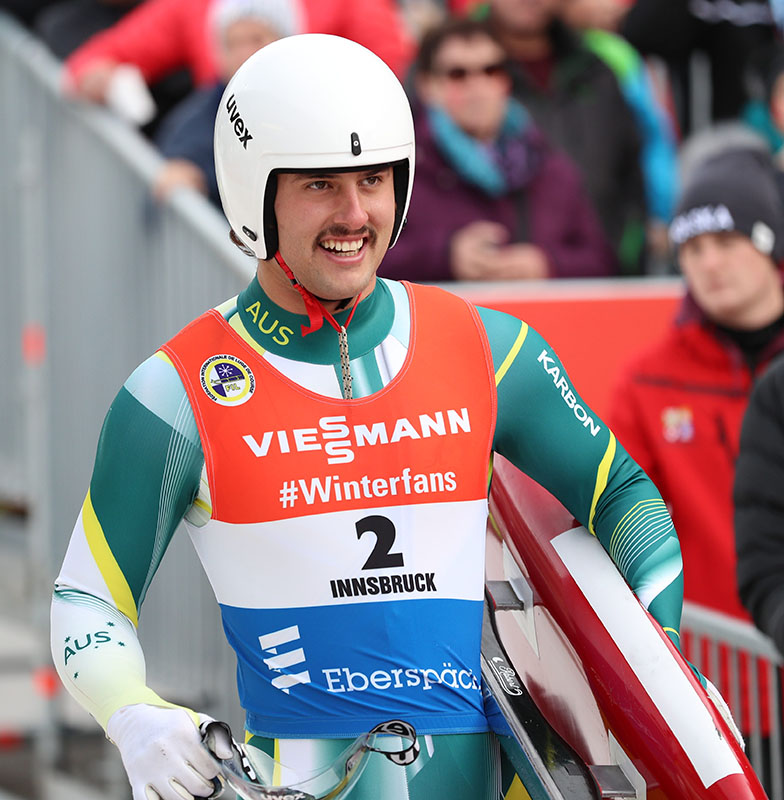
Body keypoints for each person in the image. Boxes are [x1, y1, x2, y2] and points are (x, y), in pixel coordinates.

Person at [51, 33, 708, 800]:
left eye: (374, 179)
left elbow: (624, 496)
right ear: (253, 196)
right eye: (320, 185)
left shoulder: (487, 348)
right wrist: (132, 713)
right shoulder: (176, 393)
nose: (356, 214)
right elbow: (86, 598)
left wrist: (655, 669)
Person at [608, 146, 784, 743]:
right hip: (722, 688)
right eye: (692, 248)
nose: (709, 264)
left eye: (726, 242)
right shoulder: (648, 381)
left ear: (769, 242)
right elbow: (616, 517)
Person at [379, 17, 614, 282]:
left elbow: (601, 259)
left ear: (506, 81)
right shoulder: (399, 172)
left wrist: (547, 264)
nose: (477, 86)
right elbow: (366, 260)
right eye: (458, 74)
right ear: (427, 86)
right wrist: (444, 257)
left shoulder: (550, 166)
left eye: (491, 70)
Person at [475, 0, 648, 274]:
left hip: (601, 282)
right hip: (485, 288)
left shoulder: (598, 69)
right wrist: (448, 253)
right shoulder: (453, 66)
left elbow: (634, 173)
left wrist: (628, 255)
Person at [62, 0, 413, 114]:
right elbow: (97, 57)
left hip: (324, 155)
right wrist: (98, 75)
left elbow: (393, 72)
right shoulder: (192, 6)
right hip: (228, 157)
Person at [152, 0, 297, 204]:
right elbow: (184, 155)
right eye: (233, 44)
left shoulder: (310, 107)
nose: (244, 54)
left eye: (256, 39)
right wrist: (188, 171)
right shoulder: (199, 117)